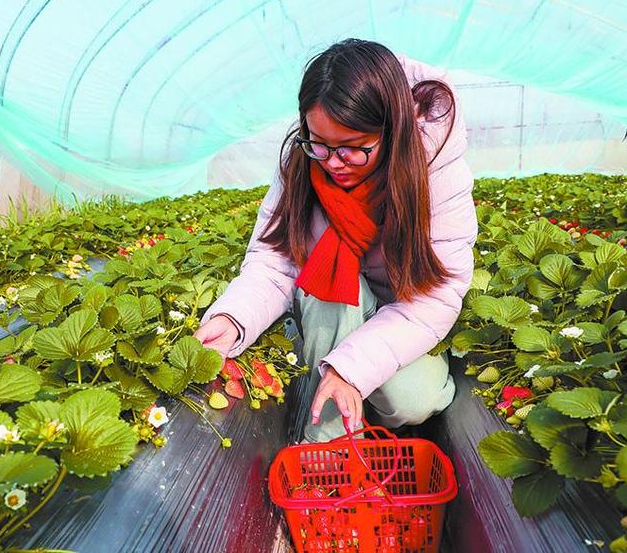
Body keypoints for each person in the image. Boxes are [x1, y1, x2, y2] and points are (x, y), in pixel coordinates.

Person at [192, 39, 478, 443]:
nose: (332, 162)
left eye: (354, 148)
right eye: (319, 143)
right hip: (327, 312)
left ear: (392, 132)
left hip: (403, 311)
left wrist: (350, 370)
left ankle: (353, 399)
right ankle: (330, 451)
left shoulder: (437, 177)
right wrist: (230, 319)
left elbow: (435, 298)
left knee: (413, 402)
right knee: (328, 281)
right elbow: (274, 262)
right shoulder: (301, 163)